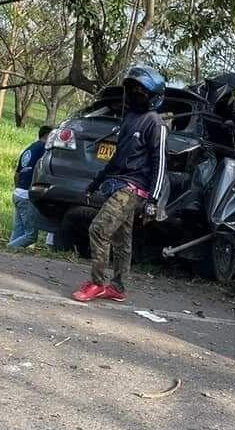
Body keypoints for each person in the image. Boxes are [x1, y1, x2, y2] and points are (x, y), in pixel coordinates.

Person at [72, 66, 167, 304]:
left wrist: (153, 201)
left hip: (133, 189)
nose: (135, 94)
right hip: (117, 184)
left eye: (141, 91)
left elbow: (160, 163)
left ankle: (97, 283)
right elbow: (117, 157)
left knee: (98, 229)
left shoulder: (155, 123)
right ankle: (118, 287)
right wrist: (96, 182)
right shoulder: (130, 118)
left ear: (153, 96)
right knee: (122, 241)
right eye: (132, 89)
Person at [8, 125, 51, 249]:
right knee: (31, 235)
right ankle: (8, 249)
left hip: (18, 193)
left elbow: (17, 174)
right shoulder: (44, 149)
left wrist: (19, 189)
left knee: (18, 231)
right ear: (47, 135)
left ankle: (8, 254)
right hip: (27, 195)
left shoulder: (29, 149)